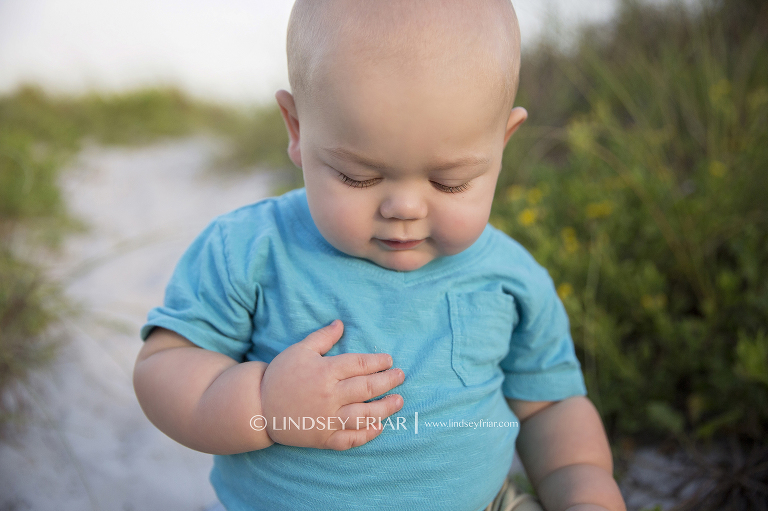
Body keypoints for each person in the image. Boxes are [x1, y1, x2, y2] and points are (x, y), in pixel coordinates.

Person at [133, 1, 627, 510]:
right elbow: (164, 367)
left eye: (450, 181)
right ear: (297, 128)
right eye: (358, 176)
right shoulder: (251, 250)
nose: (404, 207)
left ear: (502, 142)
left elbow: (549, 408)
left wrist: (582, 484)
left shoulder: (510, 278)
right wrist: (262, 404)